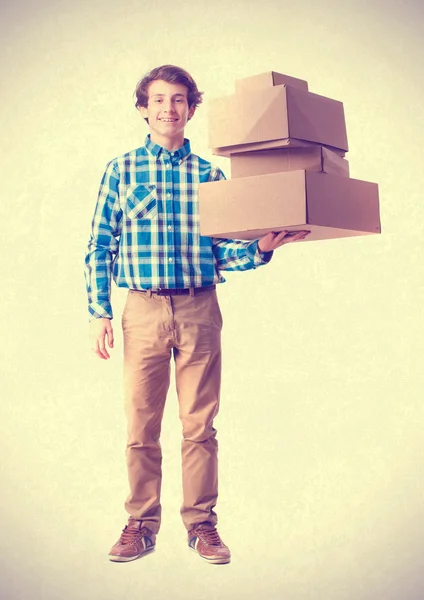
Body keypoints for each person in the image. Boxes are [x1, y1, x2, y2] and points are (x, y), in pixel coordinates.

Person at [84, 64, 310, 565]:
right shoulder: (121, 171)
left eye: (179, 100)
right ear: (143, 108)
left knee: (199, 425)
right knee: (141, 426)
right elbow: (101, 244)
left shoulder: (209, 174)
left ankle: (201, 524)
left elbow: (223, 251)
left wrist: (263, 248)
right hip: (141, 309)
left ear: (191, 108)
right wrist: (100, 311)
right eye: (159, 99)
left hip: (199, 306)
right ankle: (141, 524)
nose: (169, 108)